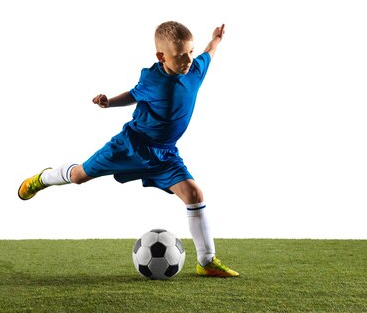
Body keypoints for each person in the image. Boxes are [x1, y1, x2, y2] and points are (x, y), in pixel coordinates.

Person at [18, 21, 239, 277]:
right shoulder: (153, 78)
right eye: (180, 56)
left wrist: (216, 39)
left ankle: (206, 261)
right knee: (78, 176)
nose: (188, 60)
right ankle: (42, 179)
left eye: (190, 52)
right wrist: (108, 102)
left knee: (194, 195)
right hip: (131, 146)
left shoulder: (195, 70)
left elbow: (208, 53)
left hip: (165, 153)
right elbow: (133, 94)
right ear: (161, 56)